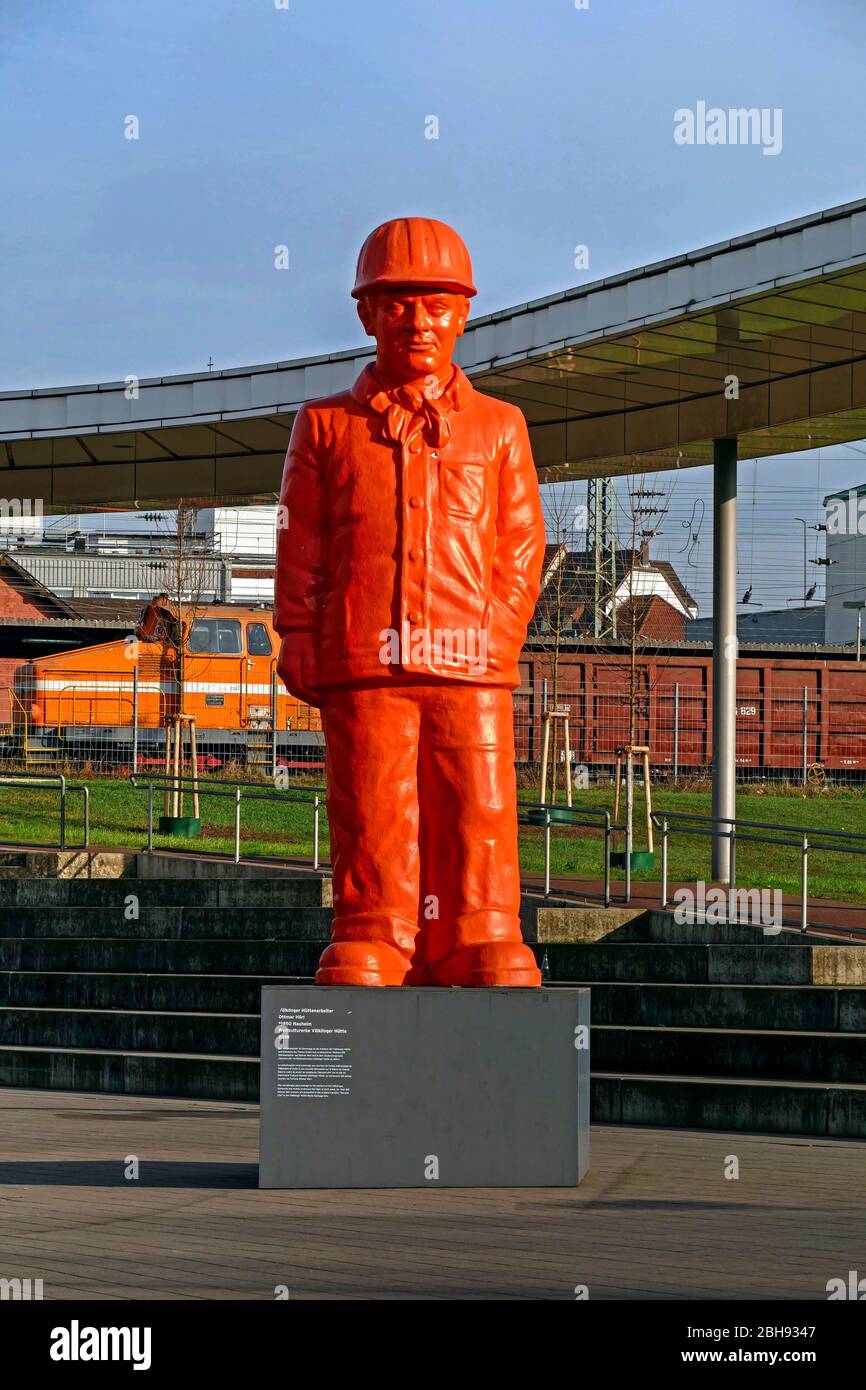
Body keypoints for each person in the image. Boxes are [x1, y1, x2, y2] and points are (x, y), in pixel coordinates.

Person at [275, 217, 545, 986]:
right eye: (396, 304)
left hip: (472, 662)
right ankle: (375, 931)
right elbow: (302, 535)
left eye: (436, 303)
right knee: (372, 797)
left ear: (464, 312)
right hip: (366, 656)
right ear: (366, 314)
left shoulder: (500, 427)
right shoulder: (324, 425)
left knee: (479, 800)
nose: (417, 320)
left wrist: (498, 635)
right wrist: (296, 627)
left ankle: (481, 931)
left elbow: (521, 543)